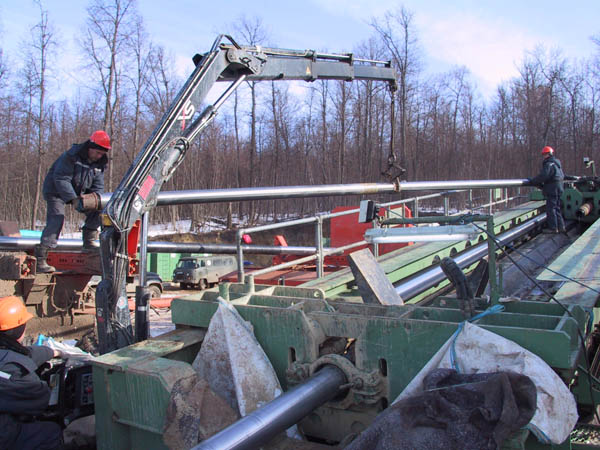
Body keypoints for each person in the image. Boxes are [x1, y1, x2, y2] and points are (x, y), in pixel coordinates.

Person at [35, 130, 111, 272]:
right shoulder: (71, 156)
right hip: (55, 190)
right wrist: (72, 198)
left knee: (100, 208)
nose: (99, 156)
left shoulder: (99, 164)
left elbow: (98, 187)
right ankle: (41, 258)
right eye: (97, 152)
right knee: (57, 218)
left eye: (102, 153)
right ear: (90, 147)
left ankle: (88, 241)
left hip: (78, 192)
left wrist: (95, 200)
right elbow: (61, 178)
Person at [0, 296, 64, 450]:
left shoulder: (8, 356)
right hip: (4, 435)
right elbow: (40, 400)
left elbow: (27, 354)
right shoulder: (14, 369)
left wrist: (53, 351)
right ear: (20, 329)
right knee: (51, 432)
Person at [528, 145, 566, 234]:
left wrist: (533, 181)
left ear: (548, 154)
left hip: (552, 189)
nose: (544, 156)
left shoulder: (549, 164)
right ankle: (561, 227)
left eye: (545, 154)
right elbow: (561, 176)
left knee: (551, 208)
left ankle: (553, 228)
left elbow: (543, 176)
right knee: (557, 208)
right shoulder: (557, 164)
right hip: (559, 187)